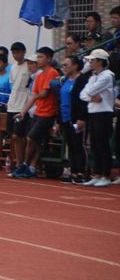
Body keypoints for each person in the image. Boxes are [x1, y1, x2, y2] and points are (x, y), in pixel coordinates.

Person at [14, 47, 59, 179]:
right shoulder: (39, 76)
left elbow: (44, 94)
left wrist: (35, 97)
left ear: (49, 59)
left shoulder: (52, 72)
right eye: (38, 57)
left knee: (31, 138)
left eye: (41, 57)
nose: (38, 60)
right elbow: (33, 96)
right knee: (33, 139)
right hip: (38, 112)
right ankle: (29, 167)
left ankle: (25, 165)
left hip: (48, 113)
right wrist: (23, 112)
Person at [79, 49, 116, 187]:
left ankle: (106, 175)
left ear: (100, 61)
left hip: (104, 113)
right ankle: (97, 174)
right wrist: (91, 98)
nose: (90, 63)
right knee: (94, 144)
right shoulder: (93, 77)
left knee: (102, 144)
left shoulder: (107, 76)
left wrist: (89, 95)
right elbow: (82, 94)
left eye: (92, 60)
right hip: (93, 112)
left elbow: (90, 91)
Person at [54, 55, 88, 184]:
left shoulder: (81, 80)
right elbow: (60, 100)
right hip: (65, 117)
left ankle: (81, 172)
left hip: (76, 117)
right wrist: (58, 121)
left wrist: (82, 118)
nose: (64, 67)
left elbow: (83, 101)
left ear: (75, 66)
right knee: (71, 145)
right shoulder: (65, 80)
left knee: (78, 144)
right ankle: (73, 171)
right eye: (63, 65)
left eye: (66, 65)